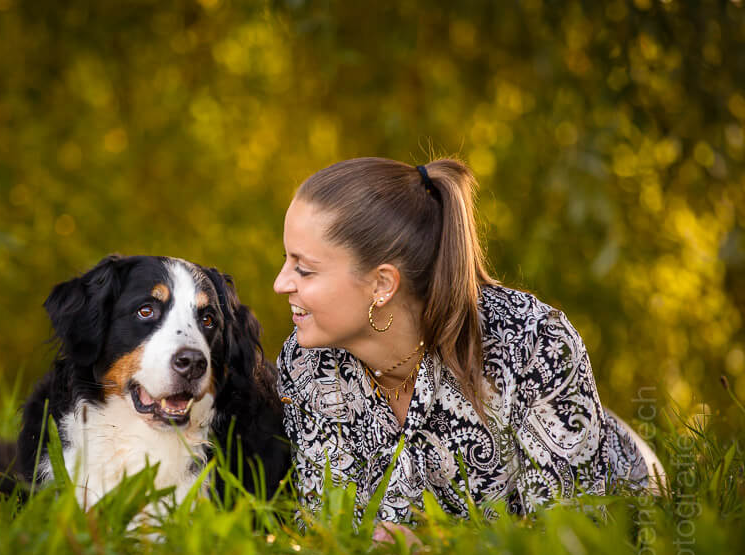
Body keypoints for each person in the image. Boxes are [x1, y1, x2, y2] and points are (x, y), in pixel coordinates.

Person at [273, 157, 662, 527]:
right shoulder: (306, 365)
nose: (280, 283)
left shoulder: (532, 344)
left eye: (304, 270)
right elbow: (327, 529)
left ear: (382, 284)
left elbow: (571, 531)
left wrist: (437, 551)